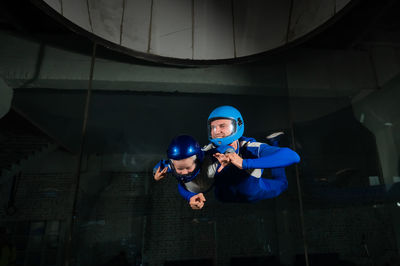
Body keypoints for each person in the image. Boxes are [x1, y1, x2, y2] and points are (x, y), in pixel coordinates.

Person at [205, 105, 300, 203]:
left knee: (282, 184)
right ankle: (274, 142)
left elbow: (293, 156)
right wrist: (191, 195)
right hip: (224, 196)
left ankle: (275, 142)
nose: (216, 131)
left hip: (254, 193)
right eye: (213, 127)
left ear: (237, 125)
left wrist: (245, 163)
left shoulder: (250, 147)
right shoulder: (208, 150)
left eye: (222, 126)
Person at [153, 135, 215, 210]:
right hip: (190, 189)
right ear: (172, 165)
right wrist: (156, 174)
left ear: (198, 160)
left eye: (188, 167)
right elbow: (160, 166)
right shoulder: (170, 166)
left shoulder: (208, 159)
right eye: (180, 168)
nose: (185, 172)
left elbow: (218, 149)